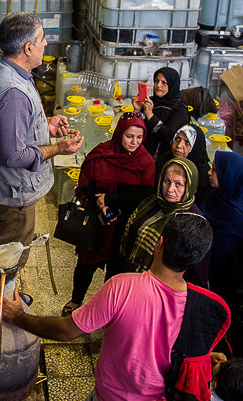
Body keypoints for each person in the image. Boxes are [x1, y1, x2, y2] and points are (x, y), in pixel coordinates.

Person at [0, 213, 228, 401]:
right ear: (197, 258)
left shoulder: (122, 288)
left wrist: (18, 317)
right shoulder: (200, 305)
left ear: (159, 243)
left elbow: (66, 331)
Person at [0, 12, 83, 268]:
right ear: (28, 48)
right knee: (8, 259)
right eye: (42, 38)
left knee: (0, 246)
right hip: (14, 195)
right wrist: (58, 148)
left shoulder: (1, 72)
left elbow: (9, 125)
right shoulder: (13, 93)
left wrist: (44, 125)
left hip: (4, 188)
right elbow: (13, 155)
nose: (45, 43)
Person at [64, 114, 156, 315]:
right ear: (119, 133)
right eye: (129, 136)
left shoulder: (145, 162)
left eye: (139, 138)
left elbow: (145, 196)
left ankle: (107, 309)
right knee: (85, 264)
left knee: (116, 271)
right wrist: (99, 202)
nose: (134, 142)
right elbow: (86, 183)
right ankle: (76, 299)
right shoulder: (102, 153)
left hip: (124, 225)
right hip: (97, 221)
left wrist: (111, 200)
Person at [115, 158, 207, 284]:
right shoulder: (151, 203)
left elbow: (196, 274)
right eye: (167, 181)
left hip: (160, 289)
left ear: (189, 187)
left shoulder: (192, 223)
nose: (170, 189)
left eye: (178, 184)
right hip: (131, 278)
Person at [200, 151, 243, 312]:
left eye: (215, 170)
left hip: (219, 283)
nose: (209, 172)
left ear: (229, 175)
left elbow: (221, 257)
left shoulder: (234, 217)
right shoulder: (218, 197)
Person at [130, 67, 191, 162]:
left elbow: (169, 136)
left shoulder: (180, 109)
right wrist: (137, 110)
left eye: (164, 83)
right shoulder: (150, 102)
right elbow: (136, 129)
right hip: (141, 155)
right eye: (156, 81)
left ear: (172, 85)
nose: (158, 85)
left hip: (164, 160)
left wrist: (150, 115)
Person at [162, 123, 213, 202]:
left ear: (195, 147)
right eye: (177, 139)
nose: (179, 145)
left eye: (187, 142)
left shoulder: (203, 173)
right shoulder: (165, 160)